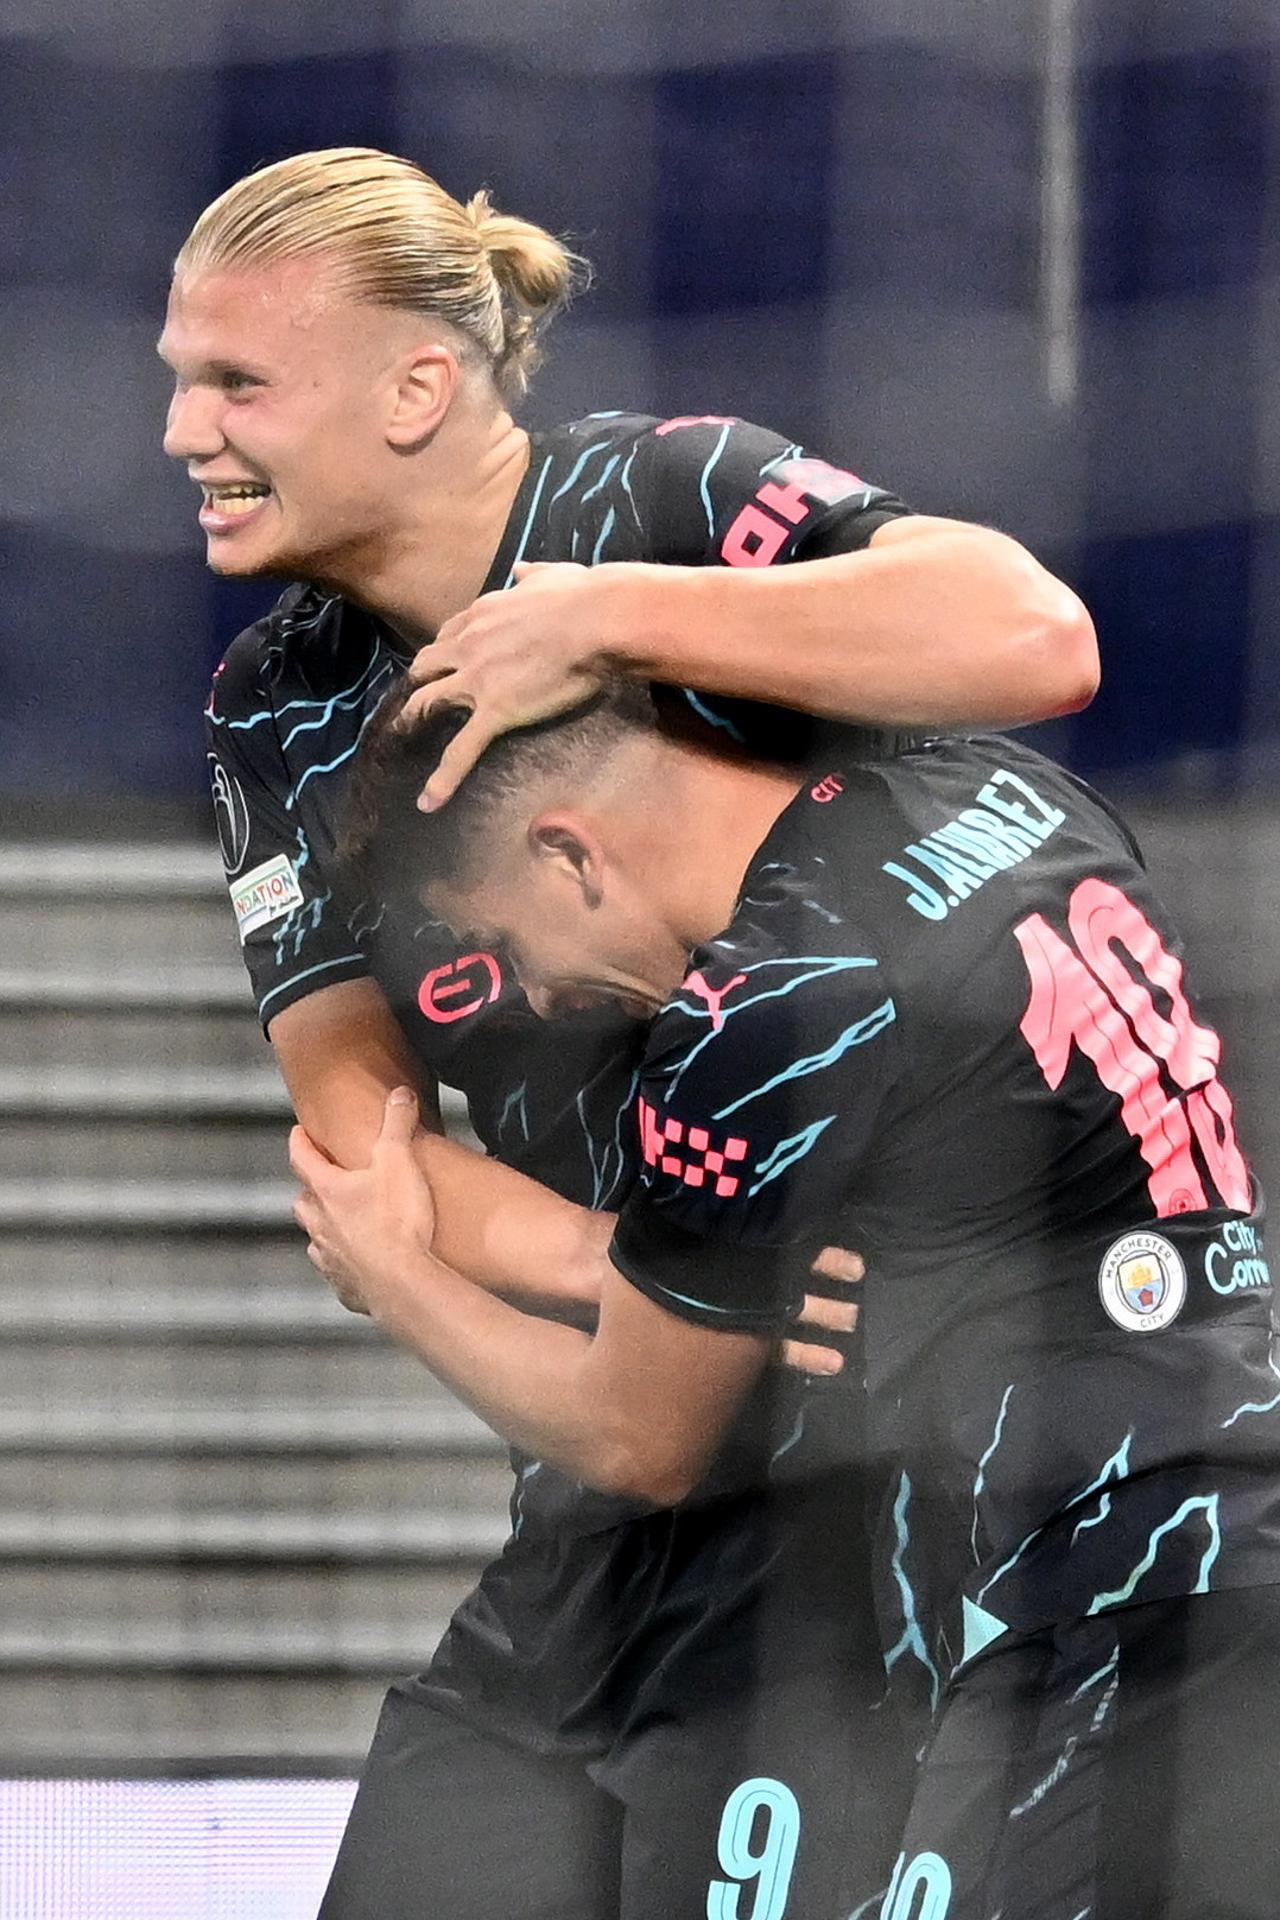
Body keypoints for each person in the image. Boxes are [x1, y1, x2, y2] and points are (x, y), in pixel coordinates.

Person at [163, 145, 1098, 1916]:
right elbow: (372, 1167)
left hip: (873, 1517)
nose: (180, 433)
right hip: (598, 1480)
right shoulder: (273, 706)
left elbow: (1033, 637)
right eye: (176, 379)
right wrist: (646, 1270)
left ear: (417, 385)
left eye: (234, 382)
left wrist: (606, 619)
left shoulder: (671, 495)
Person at [295, 684, 1280, 1920]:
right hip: (1225, 1528)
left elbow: (634, 1435)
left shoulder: (760, 1004)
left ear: (567, 852)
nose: (537, 998)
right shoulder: (997, 788)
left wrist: (393, 1273)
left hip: (1092, 1602)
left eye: (506, 942)